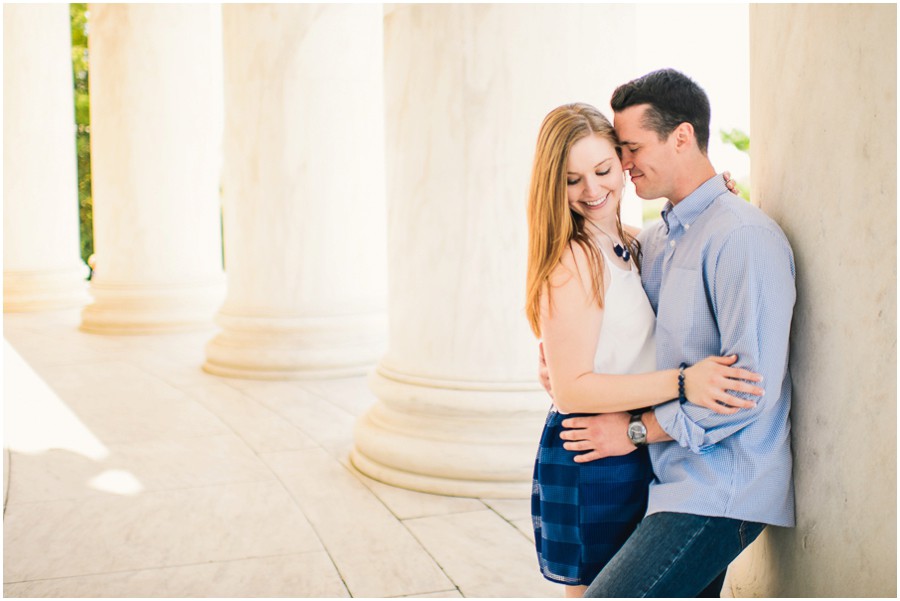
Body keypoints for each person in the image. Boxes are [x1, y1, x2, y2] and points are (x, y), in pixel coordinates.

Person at [553, 69, 797, 598]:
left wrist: (635, 430)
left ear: (682, 136)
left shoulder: (744, 238)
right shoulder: (657, 240)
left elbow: (747, 393)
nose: (624, 164)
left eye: (632, 147)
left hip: (718, 489)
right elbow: (611, 309)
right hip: (661, 481)